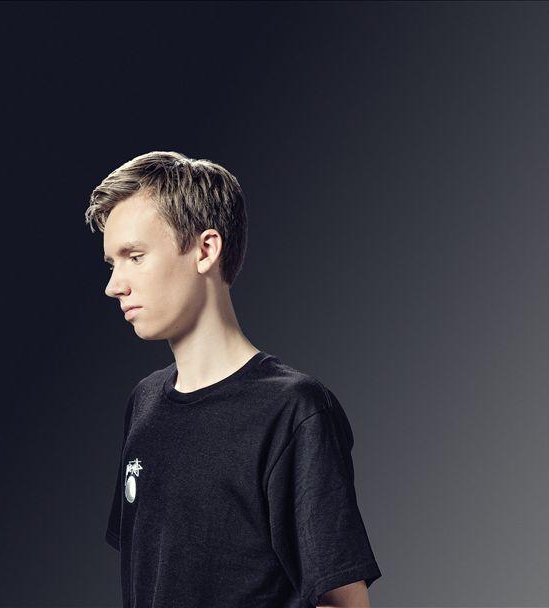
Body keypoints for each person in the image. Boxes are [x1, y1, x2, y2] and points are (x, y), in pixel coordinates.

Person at [85, 151, 383, 608]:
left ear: (206, 250)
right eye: (112, 263)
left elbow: (344, 604)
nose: (114, 285)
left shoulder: (293, 410)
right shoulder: (144, 403)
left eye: (135, 257)